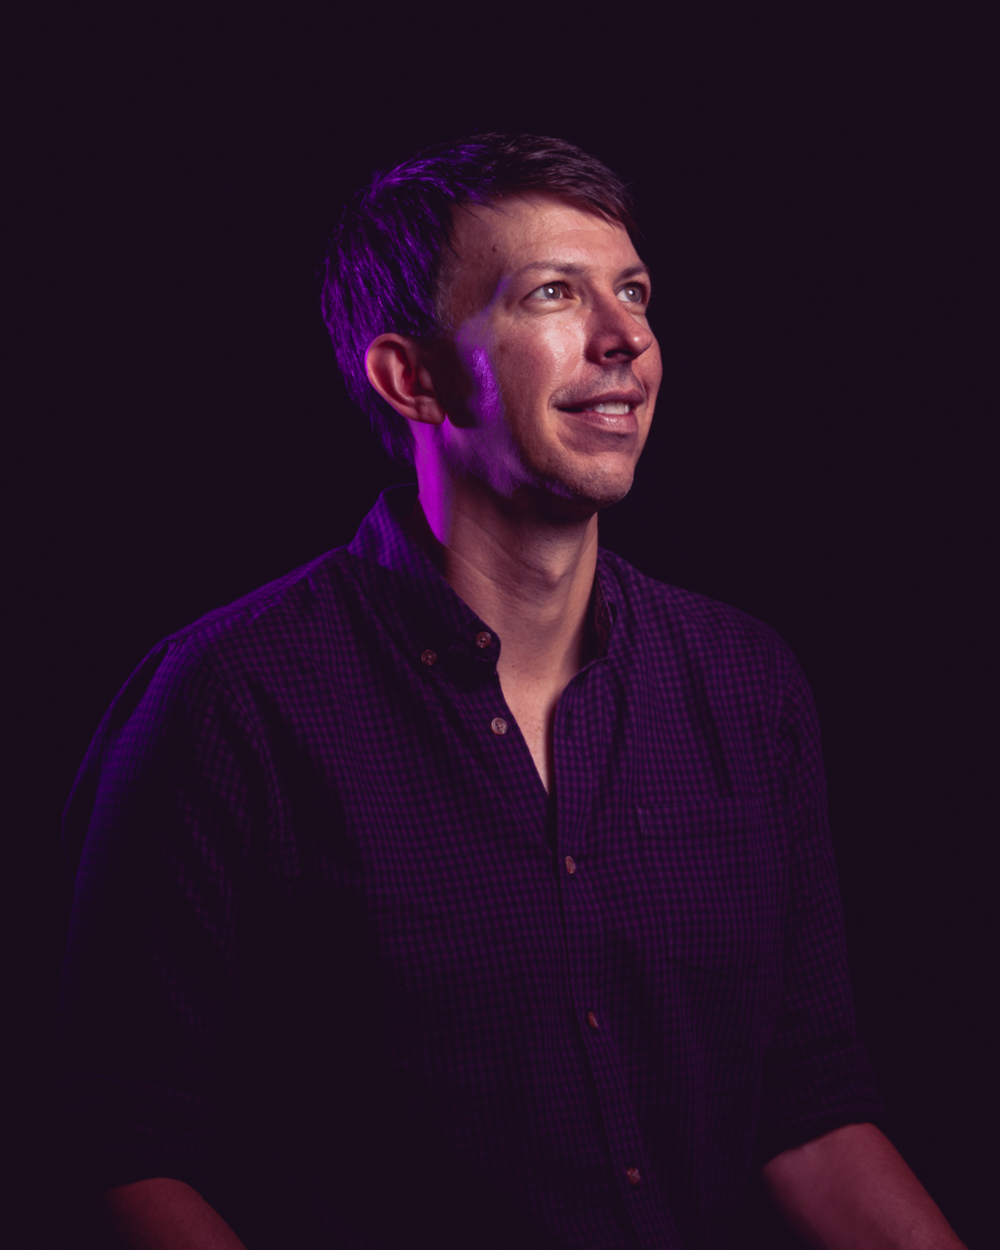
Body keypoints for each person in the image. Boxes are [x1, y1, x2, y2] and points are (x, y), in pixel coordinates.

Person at [59, 134, 966, 1249]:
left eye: (633, 292)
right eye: (553, 293)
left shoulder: (745, 685)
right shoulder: (231, 702)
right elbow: (120, 1149)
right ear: (412, 378)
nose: (627, 337)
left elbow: (808, 1109)